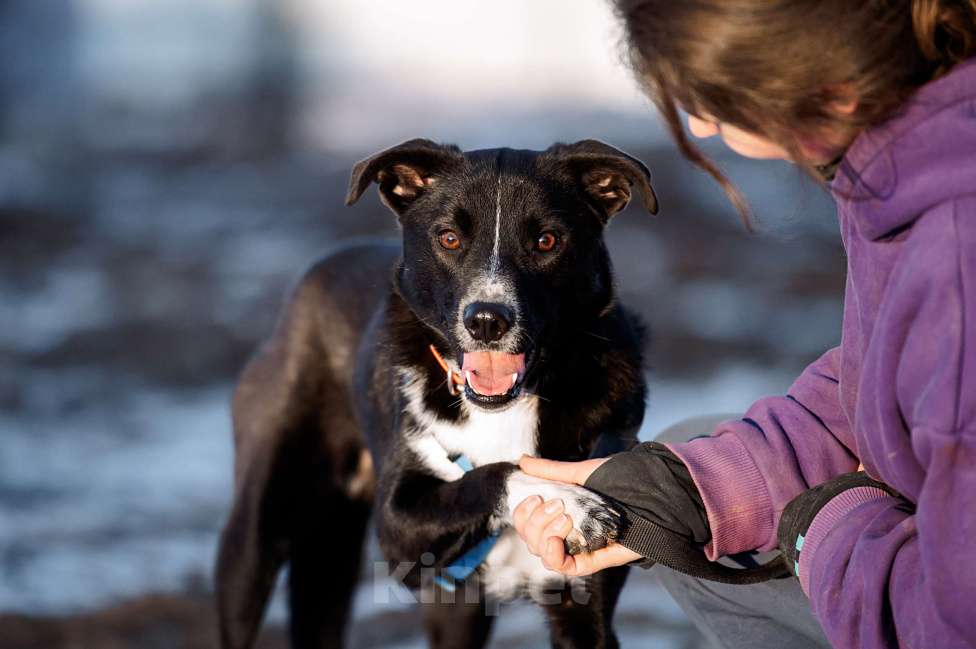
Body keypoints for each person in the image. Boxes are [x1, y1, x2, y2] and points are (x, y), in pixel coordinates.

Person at [511, 2, 976, 648]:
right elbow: (885, 383)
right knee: (688, 467)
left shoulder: (956, 253)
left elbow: (957, 621)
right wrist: (697, 489)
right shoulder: (908, 153)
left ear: (824, 86)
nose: (700, 127)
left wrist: (825, 530)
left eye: (714, 98)